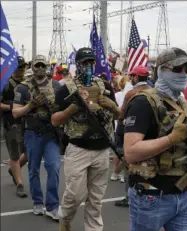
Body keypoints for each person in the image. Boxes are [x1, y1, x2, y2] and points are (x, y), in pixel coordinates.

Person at [123, 47, 187, 231]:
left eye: (186, 70)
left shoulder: (182, 103)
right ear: (161, 71)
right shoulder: (143, 102)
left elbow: (183, 154)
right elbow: (131, 153)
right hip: (152, 197)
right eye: (177, 69)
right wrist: (172, 138)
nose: (183, 74)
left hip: (183, 195)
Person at [51, 47, 120, 231]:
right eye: (84, 63)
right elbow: (55, 120)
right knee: (75, 195)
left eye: (91, 62)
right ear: (78, 64)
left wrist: (112, 106)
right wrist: (73, 108)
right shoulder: (67, 88)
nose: (89, 66)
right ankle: (65, 218)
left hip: (102, 148)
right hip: (78, 148)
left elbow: (119, 116)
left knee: (96, 199)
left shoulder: (105, 86)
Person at [12, 55, 61, 220]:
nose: (39, 68)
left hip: (51, 134)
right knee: (33, 169)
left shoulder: (56, 86)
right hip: (32, 133)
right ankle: (38, 202)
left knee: (53, 167)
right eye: (36, 65)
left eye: (42, 65)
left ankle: (53, 205)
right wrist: (31, 105)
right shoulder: (23, 88)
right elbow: (15, 112)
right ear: (32, 67)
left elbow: (63, 108)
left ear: (47, 66)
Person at [114, 65, 152, 207]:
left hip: (131, 132)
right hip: (148, 134)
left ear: (136, 77)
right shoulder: (154, 91)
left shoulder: (132, 93)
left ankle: (130, 197)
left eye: (132, 76)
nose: (130, 78)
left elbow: (122, 114)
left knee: (129, 166)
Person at [0, 56, 28, 197]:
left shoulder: (28, 83)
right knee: (14, 155)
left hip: (27, 123)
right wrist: (11, 106)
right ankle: (19, 183)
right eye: (19, 67)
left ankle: (13, 170)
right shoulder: (5, 83)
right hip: (11, 123)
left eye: (23, 67)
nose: (21, 69)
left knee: (29, 153)